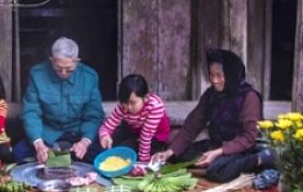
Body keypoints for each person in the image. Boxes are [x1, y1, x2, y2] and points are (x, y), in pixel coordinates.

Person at [151, 49, 276, 183]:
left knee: (217, 172)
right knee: (176, 154)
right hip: (215, 145)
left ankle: (261, 158)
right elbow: (193, 124)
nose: (215, 80)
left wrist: (219, 152)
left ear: (231, 74)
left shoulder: (249, 97)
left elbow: (249, 137)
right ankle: (216, 160)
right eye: (212, 75)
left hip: (240, 149)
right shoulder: (212, 94)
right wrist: (169, 152)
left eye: (219, 75)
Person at [13, 37, 105, 164]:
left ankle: (59, 158)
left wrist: (84, 142)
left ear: (77, 61)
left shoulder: (89, 77)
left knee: (102, 155)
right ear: (51, 60)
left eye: (69, 69)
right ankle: (62, 158)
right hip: (48, 134)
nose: (63, 73)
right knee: (18, 152)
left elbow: (94, 116)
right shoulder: (37, 74)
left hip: (76, 134)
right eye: (58, 68)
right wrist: (39, 145)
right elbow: (31, 113)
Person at [98, 74, 170, 162]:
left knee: (122, 153)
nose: (128, 107)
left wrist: (143, 162)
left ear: (146, 98)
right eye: (124, 102)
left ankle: (158, 149)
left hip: (155, 136)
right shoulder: (122, 107)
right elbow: (106, 127)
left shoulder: (155, 107)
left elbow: (146, 136)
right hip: (135, 131)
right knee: (111, 146)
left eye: (133, 103)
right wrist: (104, 136)